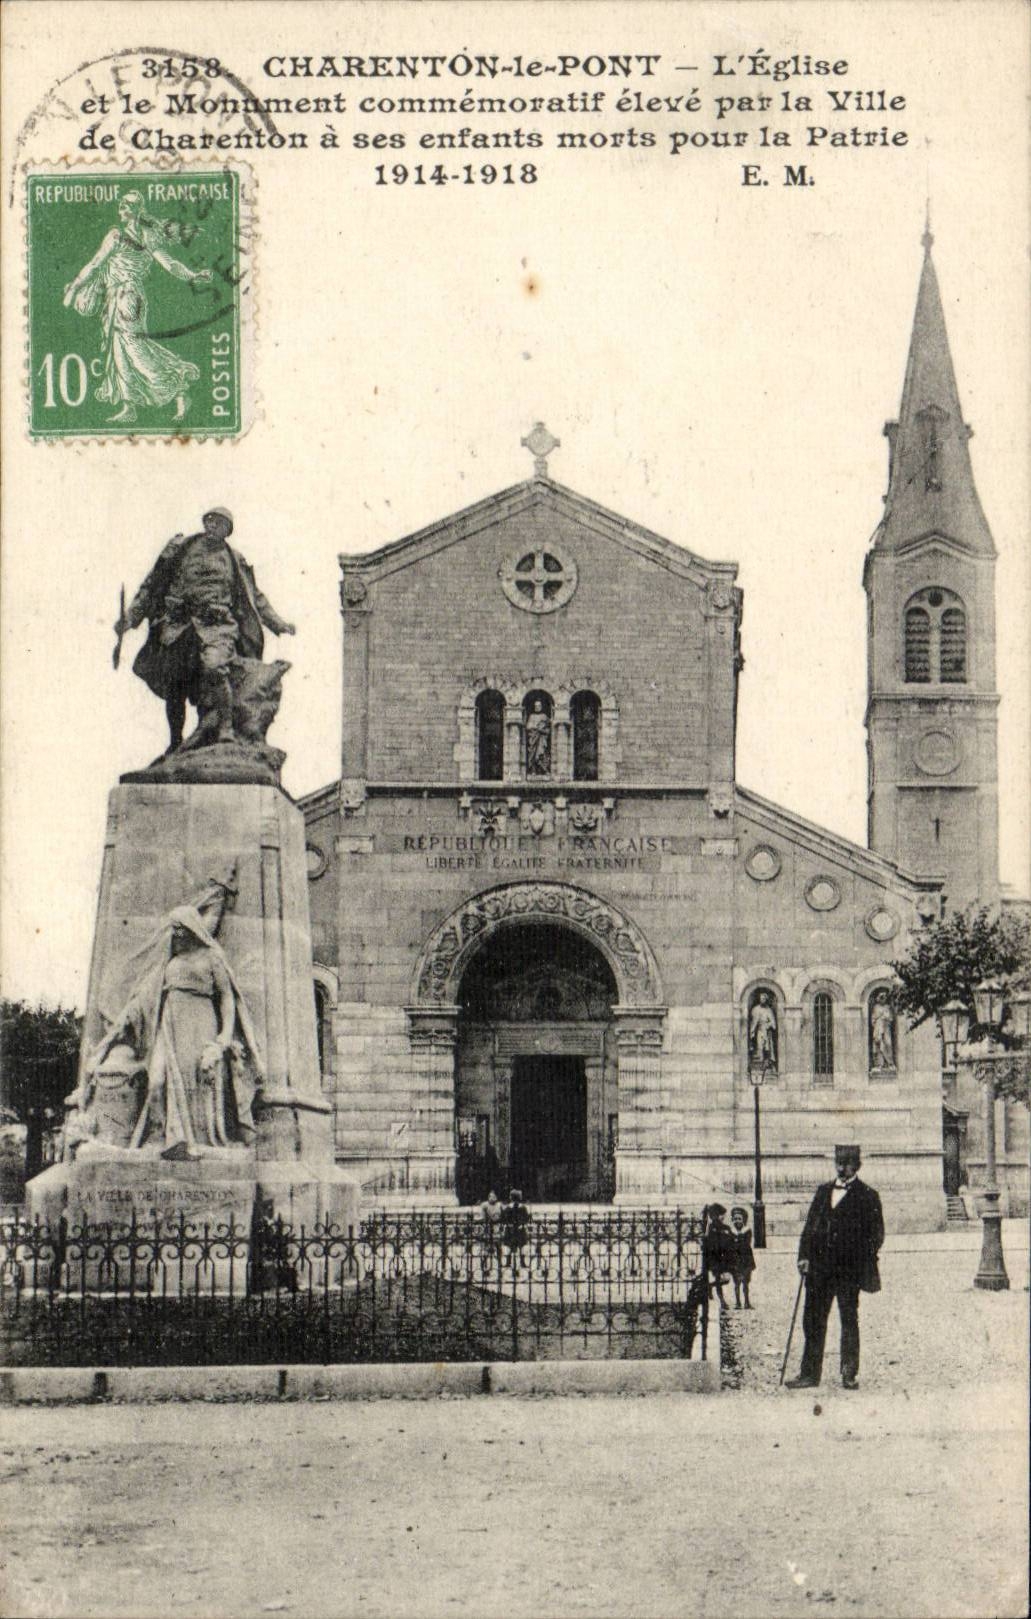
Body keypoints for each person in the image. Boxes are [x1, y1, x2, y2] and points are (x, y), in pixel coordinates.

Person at [87, 894, 263, 1156]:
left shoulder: (212, 957)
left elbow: (227, 998)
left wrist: (224, 1037)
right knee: (157, 1080)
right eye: (174, 929)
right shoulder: (170, 960)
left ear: (193, 929)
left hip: (200, 1022)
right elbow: (148, 994)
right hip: (169, 1026)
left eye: (180, 929)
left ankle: (193, 1141)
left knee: (198, 1086)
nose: (176, 934)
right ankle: (160, 1137)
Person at [119, 509, 295, 753]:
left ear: (227, 530)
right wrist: (130, 618)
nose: (212, 526)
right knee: (175, 682)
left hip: (218, 627)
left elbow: (255, 597)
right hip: (179, 626)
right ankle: (175, 741)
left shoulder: (234, 559)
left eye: (219, 523)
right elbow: (152, 584)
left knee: (214, 667)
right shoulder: (181, 549)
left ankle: (226, 728)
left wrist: (278, 623)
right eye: (209, 521)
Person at [62, 190, 214, 423]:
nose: (121, 209)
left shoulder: (122, 236)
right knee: (120, 350)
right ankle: (129, 406)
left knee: (134, 349)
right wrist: (193, 275)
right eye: (121, 205)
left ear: (135, 210)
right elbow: (170, 265)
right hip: (122, 297)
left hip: (126, 296)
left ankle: (179, 385)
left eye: (125, 205)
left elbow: (95, 265)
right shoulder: (140, 236)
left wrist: (73, 289)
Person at [786, 1144, 884, 1391]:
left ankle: (849, 1373)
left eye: (847, 1162)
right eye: (838, 1162)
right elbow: (808, 1228)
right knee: (813, 1320)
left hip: (848, 1272)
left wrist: (859, 1257)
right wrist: (803, 1257)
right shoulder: (823, 1192)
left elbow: (877, 1235)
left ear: (856, 1165)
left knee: (849, 1320)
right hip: (819, 1269)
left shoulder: (868, 1195)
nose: (841, 1167)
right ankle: (809, 1374)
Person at [702, 1203, 735, 1310]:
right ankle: (722, 1302)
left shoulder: (726, 1227)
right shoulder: (711, 1228)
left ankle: (709, 1287)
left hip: (725, 1258)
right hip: (715, 1259)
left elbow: (731, 1240)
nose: (723, 1217)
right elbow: (710, 1244)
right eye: (721, 1215)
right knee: (719, 1279)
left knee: (726, 1279)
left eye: (723, 1215)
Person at [729, 1206, 756, 1309]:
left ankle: (747, 1302)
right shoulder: (731, 1231)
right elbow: (731, 1245)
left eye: (739, 1219)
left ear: (743, 1220)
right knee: (736, 1282)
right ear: (732, 1220)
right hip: (735, 1260)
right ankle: (738, 1302)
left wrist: (737, 1240)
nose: (737, 1221)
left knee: (746, 1282)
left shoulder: (747, 1230)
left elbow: (746, 1244)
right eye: (735, 1219)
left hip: (746, 1260)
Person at [500, 1189, 530, 1269]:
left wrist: (508, 1224)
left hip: (510, 1229)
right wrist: (522, 1224)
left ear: (511, 1197)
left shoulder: (508, 1208)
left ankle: (508, 1262)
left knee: (508, 1246)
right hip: (520, 1229)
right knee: (522, 1245)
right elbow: (526, 1218)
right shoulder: (523, 1207)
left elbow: (503, 1218)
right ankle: (522, 1262)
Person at [525, 701, 551, 775]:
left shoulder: (544, 716)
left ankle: (545, 769)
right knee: (532, 753)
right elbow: (528, 726)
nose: (537, 707)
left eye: (539, 706)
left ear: (541, 706)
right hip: (533, 738)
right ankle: (533, 770)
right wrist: (535, 728)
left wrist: (542, 730)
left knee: (542, 752)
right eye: (536, 706)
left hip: (542, 738)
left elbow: (549, 727)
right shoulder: (531, 716)